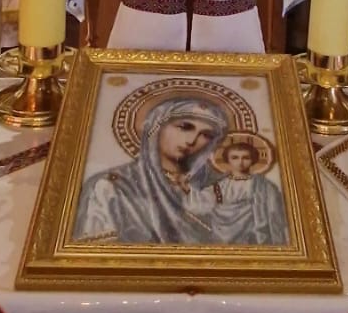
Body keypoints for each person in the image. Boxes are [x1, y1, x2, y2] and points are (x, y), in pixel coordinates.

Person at [74, 95, 230, 244]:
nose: (192, 140)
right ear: (157, 126)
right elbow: (94, 253)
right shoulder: (111, 186)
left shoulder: (218, 187)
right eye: (184, 127)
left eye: (206, 135)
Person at [190, 132, 288, 246]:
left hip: (254, 238)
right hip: (220, 238)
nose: (240, 162)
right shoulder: (219, 186)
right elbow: (198, 206)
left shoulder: (264, 186)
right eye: (235, 158)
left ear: (253, 159)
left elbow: (275, 212)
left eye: (246, 158)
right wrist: (185, 187)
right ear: (227, 160)